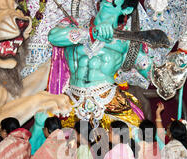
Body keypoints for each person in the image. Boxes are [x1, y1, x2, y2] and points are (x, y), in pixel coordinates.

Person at [48, 0, 148, 130]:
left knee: (135, 133)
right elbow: (53, 37)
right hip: (71, 101)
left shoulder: (126, 42)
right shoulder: (75, 25)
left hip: (108, 101)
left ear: (127, 9)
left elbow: (149, 70)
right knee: (45, 126)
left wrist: (179, 62)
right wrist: (91, 33)